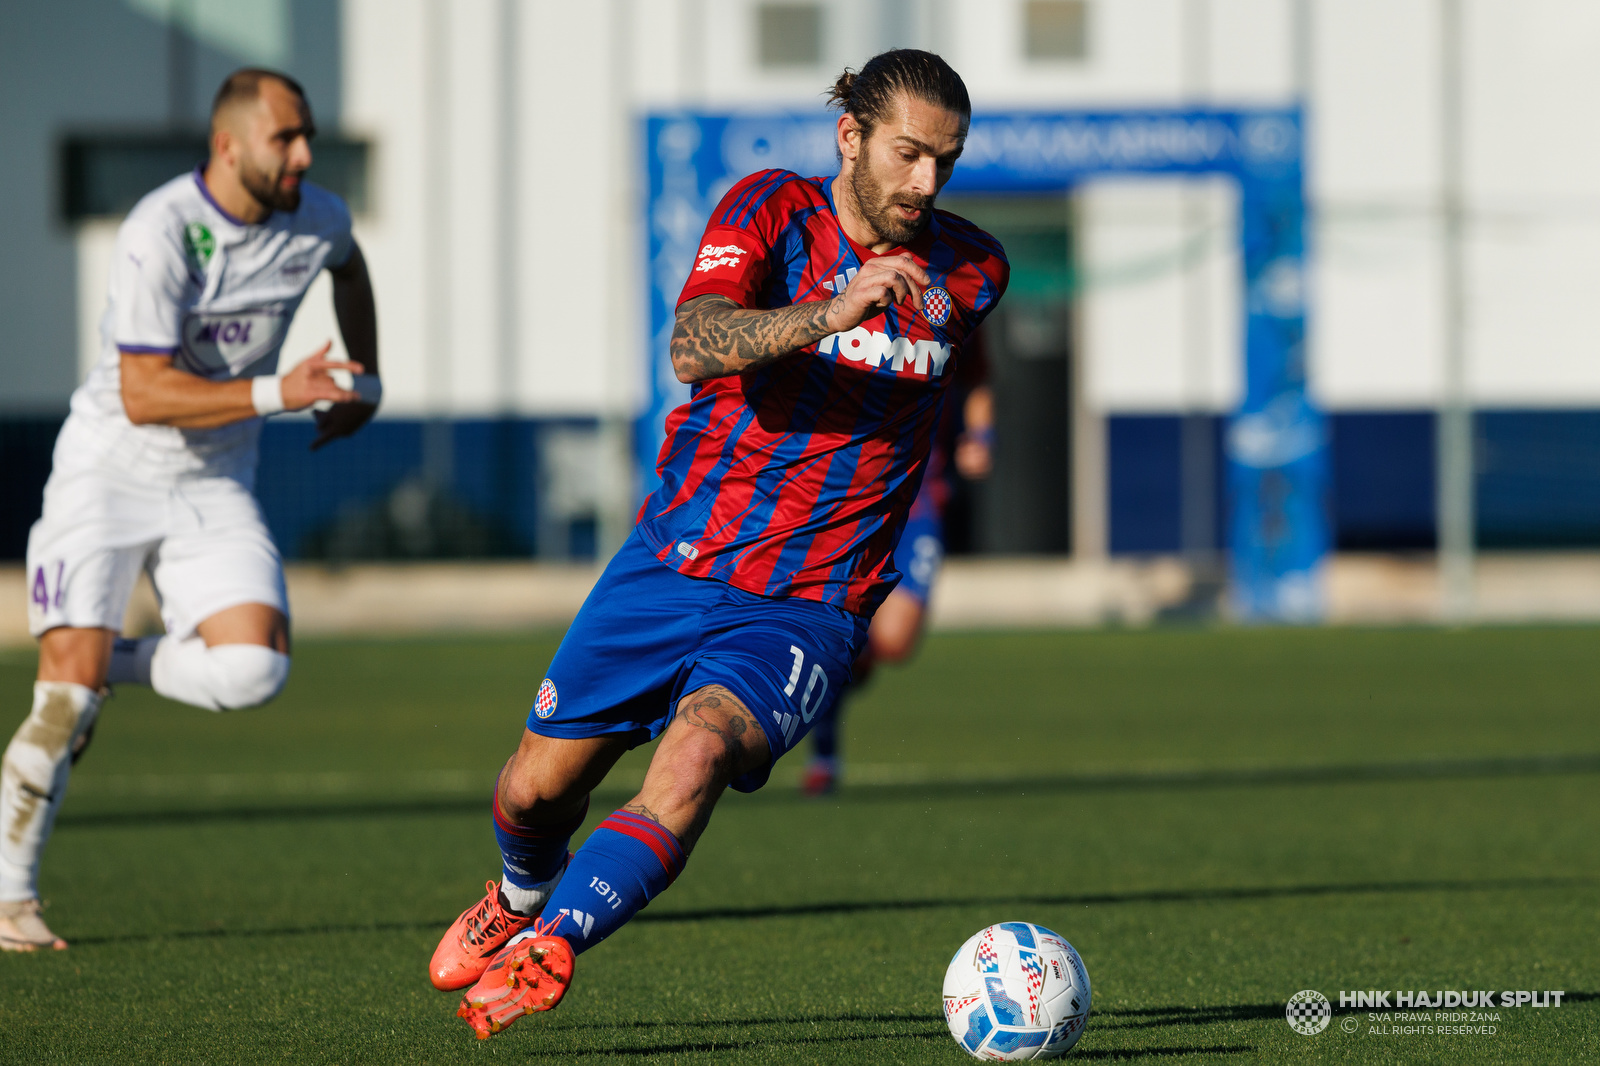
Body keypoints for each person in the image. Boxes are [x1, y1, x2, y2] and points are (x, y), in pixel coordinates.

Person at [430, 49, 1008, 1040]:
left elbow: (956, 362)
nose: (925, 183)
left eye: (943, 162)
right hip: (673, 564)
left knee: (694, 756)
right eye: (908, 155)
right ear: (850, 137)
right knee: (534, 790)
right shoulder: (770, 211)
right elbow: (693, 344)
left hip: (809, 603)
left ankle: (553, 941)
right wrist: (832, 310)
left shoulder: (972, 268)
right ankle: (521, 895)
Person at [0, 69, 380, 952]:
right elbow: (141, 392)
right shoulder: (161, 229)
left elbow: (350, 263)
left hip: (211, 482)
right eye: (286, 138)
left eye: (307, 136)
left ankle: (106, 663)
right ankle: (10, 899)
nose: (305, 155)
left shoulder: (316, 215)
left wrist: (367, 375)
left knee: (253, 672)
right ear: (229, 144)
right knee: (60, 708)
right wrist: (280, 392)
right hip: (108, 470)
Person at [800, 339, 993, 795]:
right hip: (853, 499)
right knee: (839, 631)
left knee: (895, 641)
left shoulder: (956, 295)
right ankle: (825, 750)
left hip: (922, 498)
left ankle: (838, 673)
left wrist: (982, 437)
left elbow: (979, 378)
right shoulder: (843, 292)